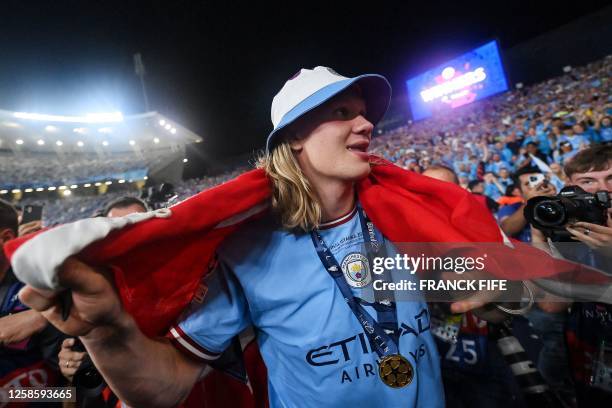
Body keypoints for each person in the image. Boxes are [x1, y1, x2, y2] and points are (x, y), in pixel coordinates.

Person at [18, 67, 451, 407]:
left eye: (364, 113)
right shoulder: (247, 250)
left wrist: (504, 293)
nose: (366, 125)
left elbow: (508, 287)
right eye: (342, 113)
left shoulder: (408, 215)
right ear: (295, 137)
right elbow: (164, 389)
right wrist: (105, 332)